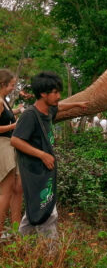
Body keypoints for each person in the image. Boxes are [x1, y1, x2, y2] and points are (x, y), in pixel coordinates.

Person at [11, 71, 87, 238]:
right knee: (47, 209)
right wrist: (42, 155)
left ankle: (19, 244)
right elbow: (16, 140)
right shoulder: (30, 115)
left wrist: (77, 105)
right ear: (43, 94)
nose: (58, 96)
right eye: (55, 92)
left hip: (46, 169)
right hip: (34, 169)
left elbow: (60, 107)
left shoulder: (49, 111)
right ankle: (52, 253)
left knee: (37, 207)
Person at [0, 69, 24, 238]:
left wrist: (17, 110)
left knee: (18, 188)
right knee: (5, 192)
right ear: (3, 84)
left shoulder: (4, 101)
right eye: (11, 85)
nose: (13, 88)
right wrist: (13, 127)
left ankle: (16, 231)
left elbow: (5, 116)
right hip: (3, 146)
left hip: (11, 145)